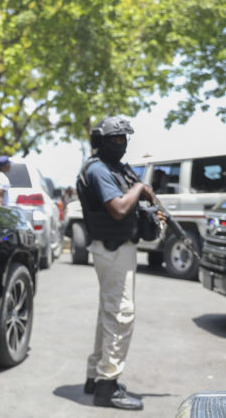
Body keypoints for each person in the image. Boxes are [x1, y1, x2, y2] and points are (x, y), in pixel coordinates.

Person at [75, 116, 164, 411]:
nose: (121, 144)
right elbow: (118, 208)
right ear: (100, 142)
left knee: (109, 314)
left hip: (118, 249)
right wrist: (141, 189)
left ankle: (95, 377)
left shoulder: (114, 168)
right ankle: (107, 387)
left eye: (124, 138)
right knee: (121, 315)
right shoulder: (99, 170)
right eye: (115, 139)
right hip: (113, 250)